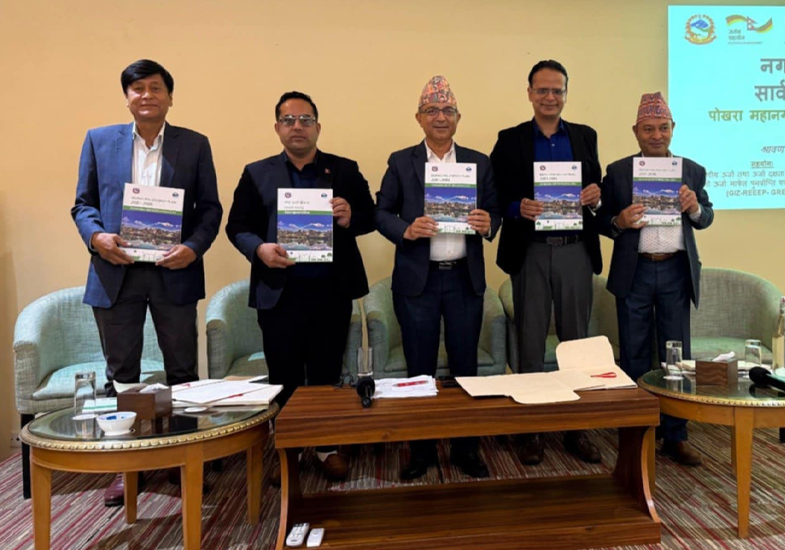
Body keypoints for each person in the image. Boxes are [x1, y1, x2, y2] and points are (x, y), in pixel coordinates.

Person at [71, 59, 222, 505]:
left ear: (170, 97)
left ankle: (185, 458)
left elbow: (210, 209)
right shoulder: (99, 141)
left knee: (182, 371)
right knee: (122, 374)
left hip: (174, 272)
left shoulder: (194, 144)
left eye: (156, 88)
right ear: (127, 98)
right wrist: (97, 238)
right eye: (137, 88)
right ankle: (127, 464)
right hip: (116, 273)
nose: (147, 95)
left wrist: (193, 247)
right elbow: (83, 205)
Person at [226, 91, 375, 481]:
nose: (297, 126)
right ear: (277, 127)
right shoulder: (256, 173)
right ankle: (288, 450)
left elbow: (371, 215)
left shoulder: (344, 169)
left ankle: (326, 446)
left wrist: (351, 217)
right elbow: (237, 226)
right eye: (289, 120)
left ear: (318, 127)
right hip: (279, 293)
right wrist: (259, 249)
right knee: (284, 375)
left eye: (306, 120)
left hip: (331, 291)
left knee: (326, 372)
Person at [375, 76, 500, 481]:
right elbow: (381, 213)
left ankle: (466, 447)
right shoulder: (401, 161)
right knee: (419, 369)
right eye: (432, 111)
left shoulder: (479, 162)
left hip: (464, 279)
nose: (440, 118)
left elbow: (496, 210)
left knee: (465, 368)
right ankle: (421, 448)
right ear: (419, 118)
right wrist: (406, 229)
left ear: (458, 117)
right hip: (419, 282)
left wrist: (488, 223)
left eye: (447, 111)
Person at [490, 60, 603, 465]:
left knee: (577, 344)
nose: (550, 97)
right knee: (531, 343)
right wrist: (516, 207)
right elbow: (494, 194)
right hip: (531, 250)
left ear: (566, 94)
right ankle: (531, 430)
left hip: (575, 249)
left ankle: (576, 429)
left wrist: (596, 196)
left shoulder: (585, 136)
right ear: (530, 93)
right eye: (543, 90)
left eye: (557, 90)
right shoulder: (510, 140)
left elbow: (597, 187)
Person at [599, 92, 714, 466]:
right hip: (635, 271)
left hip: (676, 271)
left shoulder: (691, 170)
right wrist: (620, 221)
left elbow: (707, 215)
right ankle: (638, 433)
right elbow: (602, 221)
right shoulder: (619, 172)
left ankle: (675, 435)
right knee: (633, 353)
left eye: (663, 128)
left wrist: (694, 208)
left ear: (673, 129)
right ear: (636, 131)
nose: (656, 135)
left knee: (676, 356)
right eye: (648, 129)